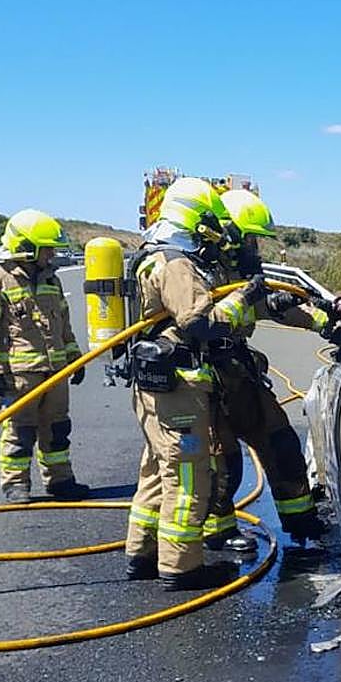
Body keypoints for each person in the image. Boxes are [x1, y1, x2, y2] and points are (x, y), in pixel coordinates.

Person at [125, 178, 268, 590]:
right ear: (196, 219)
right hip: (179, 389)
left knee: (156, 469)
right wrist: (244, 297)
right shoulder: (177, 264)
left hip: (155, 386)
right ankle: (182, 567)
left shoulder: (153, 256)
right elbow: (199, 323)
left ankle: (142, 554)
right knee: (188, 478)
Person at [202, 189, 341, 554]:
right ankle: (218, 529)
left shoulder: (244, 273)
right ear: (229, 235)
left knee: (282, 443)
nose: (254, 248)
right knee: (223, 463)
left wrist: (328, 322)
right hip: (203, 381)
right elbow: (199, 320)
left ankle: (300, 520)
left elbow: (278, 308)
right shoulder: (197, 271)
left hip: (239, 371)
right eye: (250, 239)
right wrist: (244, 297)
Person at [0, 209, 90, 503]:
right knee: (19, 430)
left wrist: (74, 357)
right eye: (47, 248)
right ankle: (16, 485)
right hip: (20, 373)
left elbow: (63, 323)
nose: (52, 254)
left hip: (56, 371)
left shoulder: (52, 279)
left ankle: (60, 481)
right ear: (26, 249)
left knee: (58, 428)